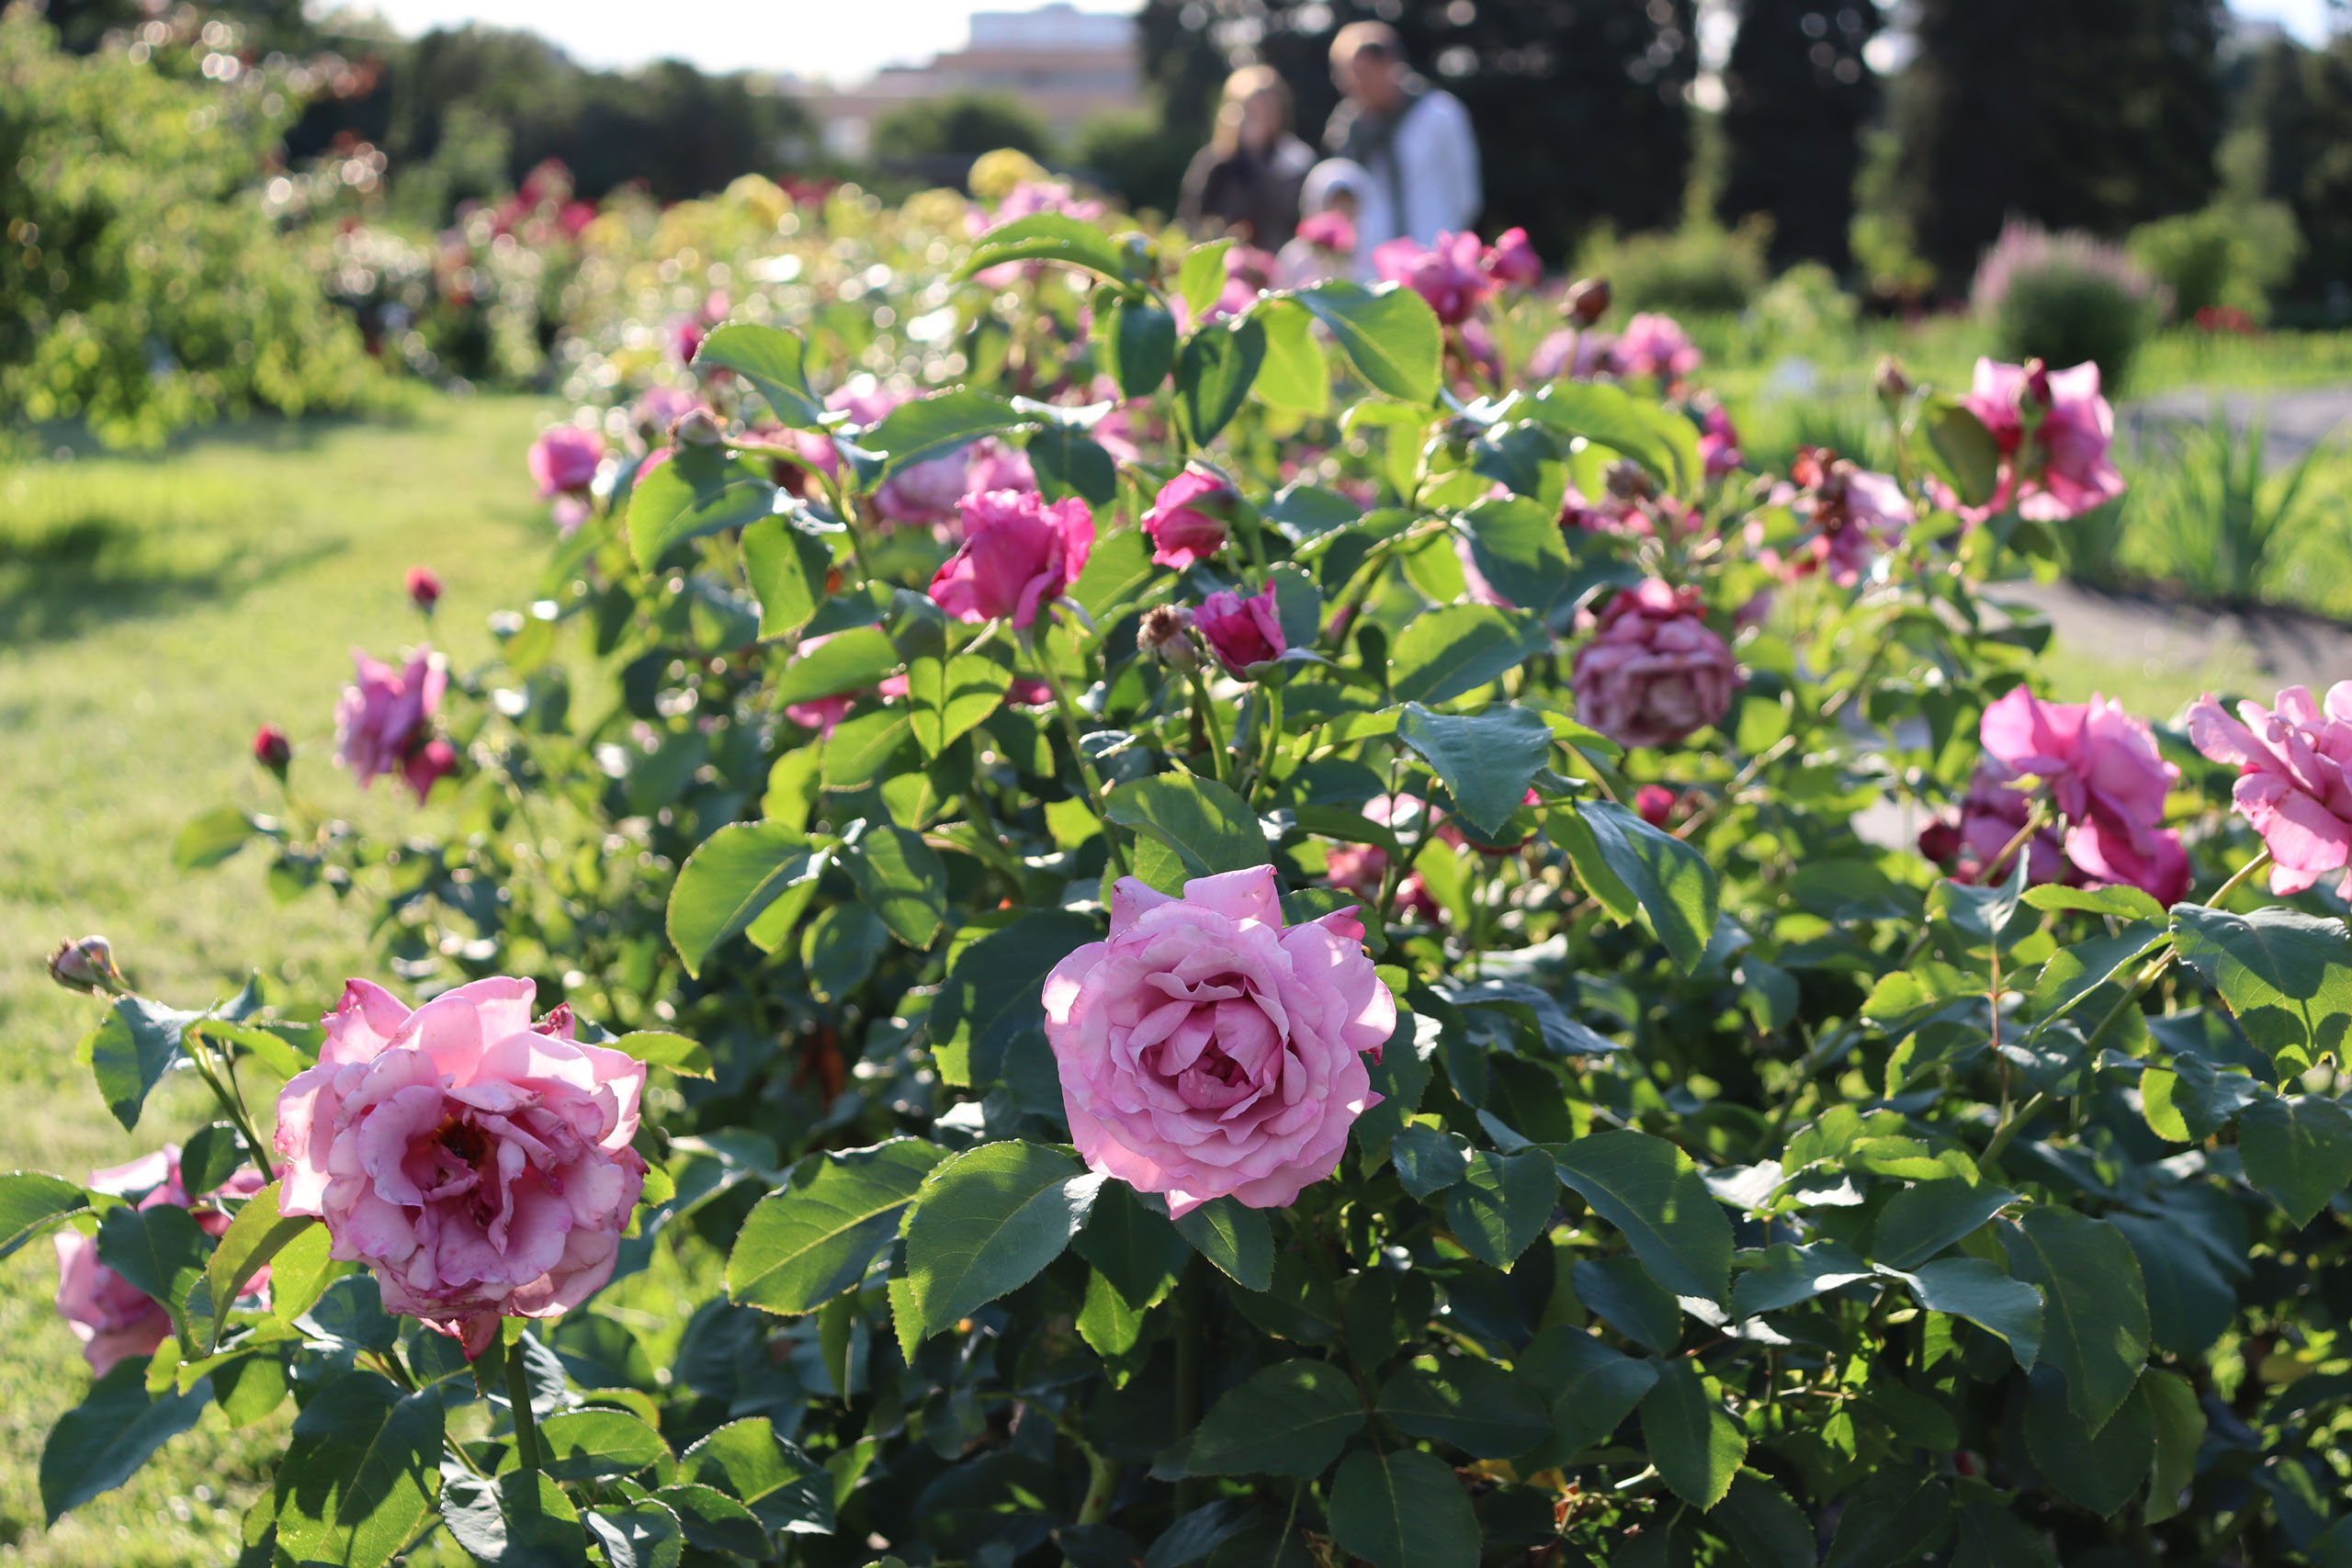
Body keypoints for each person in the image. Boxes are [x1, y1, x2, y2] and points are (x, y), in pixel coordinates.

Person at [1322, 21, 1481, 252]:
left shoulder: (1439, 114)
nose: (1355, 87)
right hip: (1374, 263)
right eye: (1347, 77)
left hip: (1434, 253)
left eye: (1363, 75)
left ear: (1389, 65)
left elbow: (1466, 195)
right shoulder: (1345, 131)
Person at [1177, 65, 1317, 248]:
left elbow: (1300, 220)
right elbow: (1189, 221)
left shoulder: (1294, 162)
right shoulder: (1213, 163)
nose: (1257, 120)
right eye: (1249, 111)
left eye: (1266, 111)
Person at [1276, 159, 1389, 286]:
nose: (1340, 211)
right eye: (1334, 202)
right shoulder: (1295, 255)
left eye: (1347, 203)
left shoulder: (1368, 252)